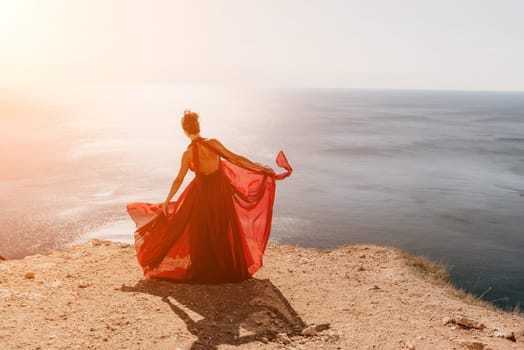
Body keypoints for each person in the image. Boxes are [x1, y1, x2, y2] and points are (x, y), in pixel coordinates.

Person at [126, 110, 292, 283]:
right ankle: (226, 268)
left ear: (184, 131)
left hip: (201, 195)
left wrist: (167, 201)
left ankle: (205, 270)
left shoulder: (188, 153)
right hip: (221, 191)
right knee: (222, 228)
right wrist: (260, 168)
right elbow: (235, 158)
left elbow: (179, 179)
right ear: (198, 126)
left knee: (201, 231)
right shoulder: (213, 143)